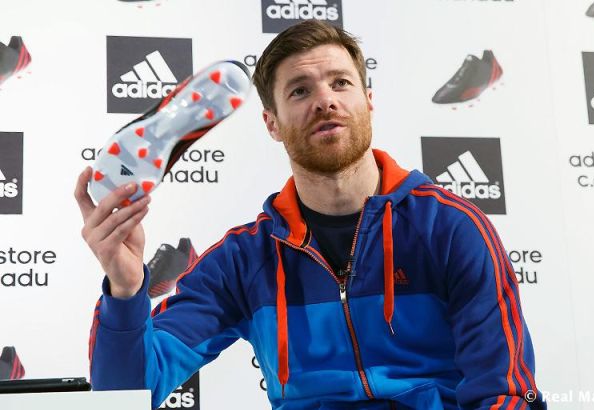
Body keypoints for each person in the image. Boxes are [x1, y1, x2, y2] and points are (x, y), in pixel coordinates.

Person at [75, 20, 546, 410]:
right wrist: (125, 290)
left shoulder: (449, 227)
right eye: (300, 91)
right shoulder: (245, 259)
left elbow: (506, 393)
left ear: (368, 100)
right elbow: (125, 395)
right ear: (272, 124)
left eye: (341, 83)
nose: (325, 100)